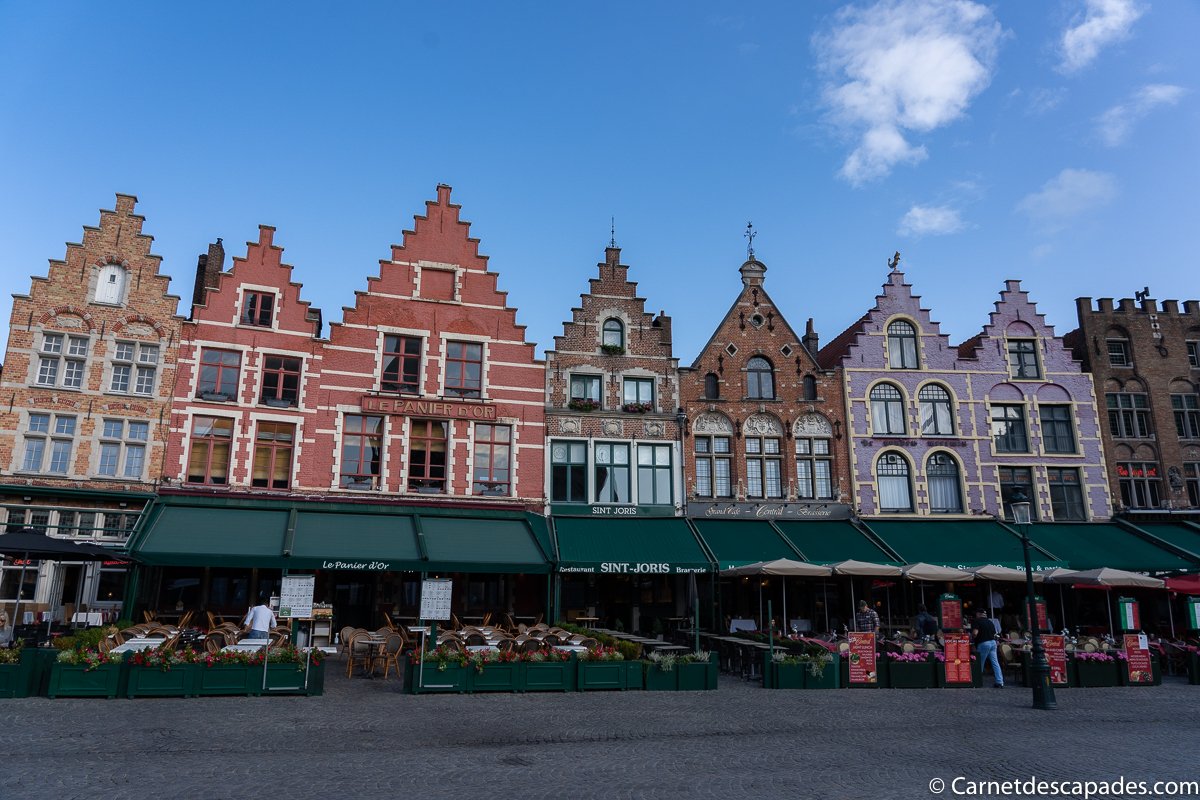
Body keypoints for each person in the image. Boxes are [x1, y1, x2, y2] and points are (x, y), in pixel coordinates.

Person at [972, 608, 1003, 688]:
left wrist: (972, 638)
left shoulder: (977, 621)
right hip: (993, 643)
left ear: (978, 614)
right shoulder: (990, 622)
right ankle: (1000, 682)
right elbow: (995, 634)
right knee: (995, 663)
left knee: (980, 663)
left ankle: (977, 681)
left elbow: (975, 633)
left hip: (983, 643)